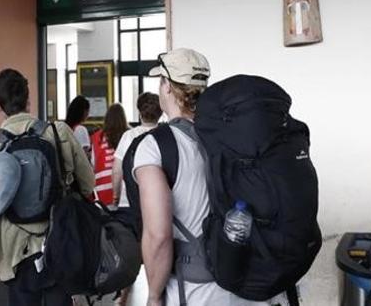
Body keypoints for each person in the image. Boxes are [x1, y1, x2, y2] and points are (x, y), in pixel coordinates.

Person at [132, 49, 272, 306]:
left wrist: (153, 295)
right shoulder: (232, 135)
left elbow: (158, 235)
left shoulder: (155, 146)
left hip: (196, 289)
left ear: (166, 87)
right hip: (245, 280)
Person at [0, 68, 95, 306]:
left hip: (15, 256)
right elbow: (88, 184)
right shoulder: (59, 133)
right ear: (28, 99)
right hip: (60, 243)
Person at [113, 92, 162, 207]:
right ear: (160, 113)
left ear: (139, 113)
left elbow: (117, 171)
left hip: (128, 203)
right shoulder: (165, 136)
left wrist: (116, 197)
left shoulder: (128, 136)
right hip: (157, 203)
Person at [93, 104, 129, 206]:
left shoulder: (97, 137)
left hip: (102, 191)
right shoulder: (129, 136)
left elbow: (93, 164)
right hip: (124, 191)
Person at [66, 95, 92, 162]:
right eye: (88, 111)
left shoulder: (66, 127)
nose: (88, 114)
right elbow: (84, 155)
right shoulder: (81, 129)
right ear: (83, 112)